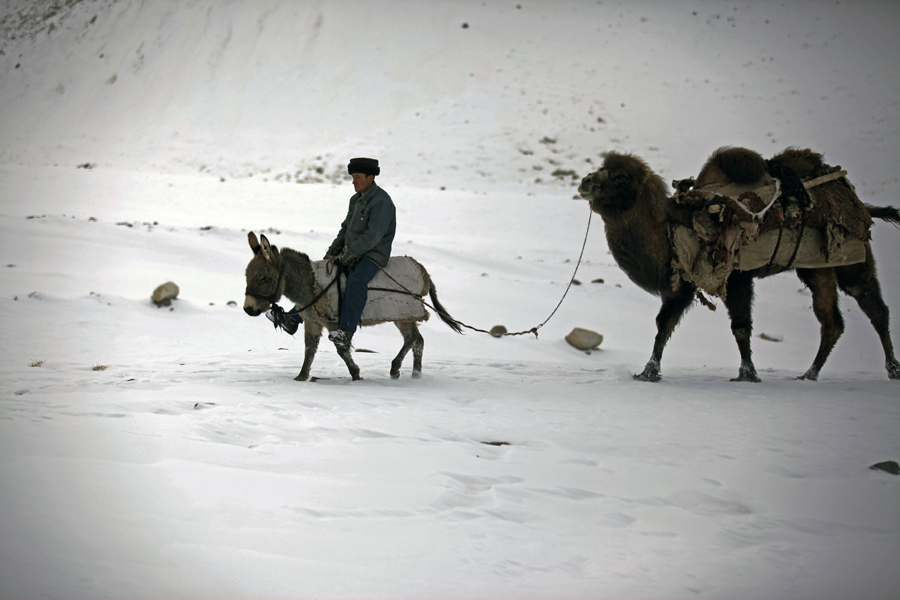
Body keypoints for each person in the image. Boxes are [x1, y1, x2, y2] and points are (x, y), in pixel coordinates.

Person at [322, 157, 396, 349]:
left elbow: (373, 237)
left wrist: (349, 254)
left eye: (357, 177)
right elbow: (345, 229)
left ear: (370, 178)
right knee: (324, 274)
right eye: (352, 177)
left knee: (356, 279)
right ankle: (293, 318)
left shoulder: (381, 202)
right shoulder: (355, 200)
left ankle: (346, 332)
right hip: (352, 252)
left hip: (373, 255)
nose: (353, 181)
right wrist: (332, 251)